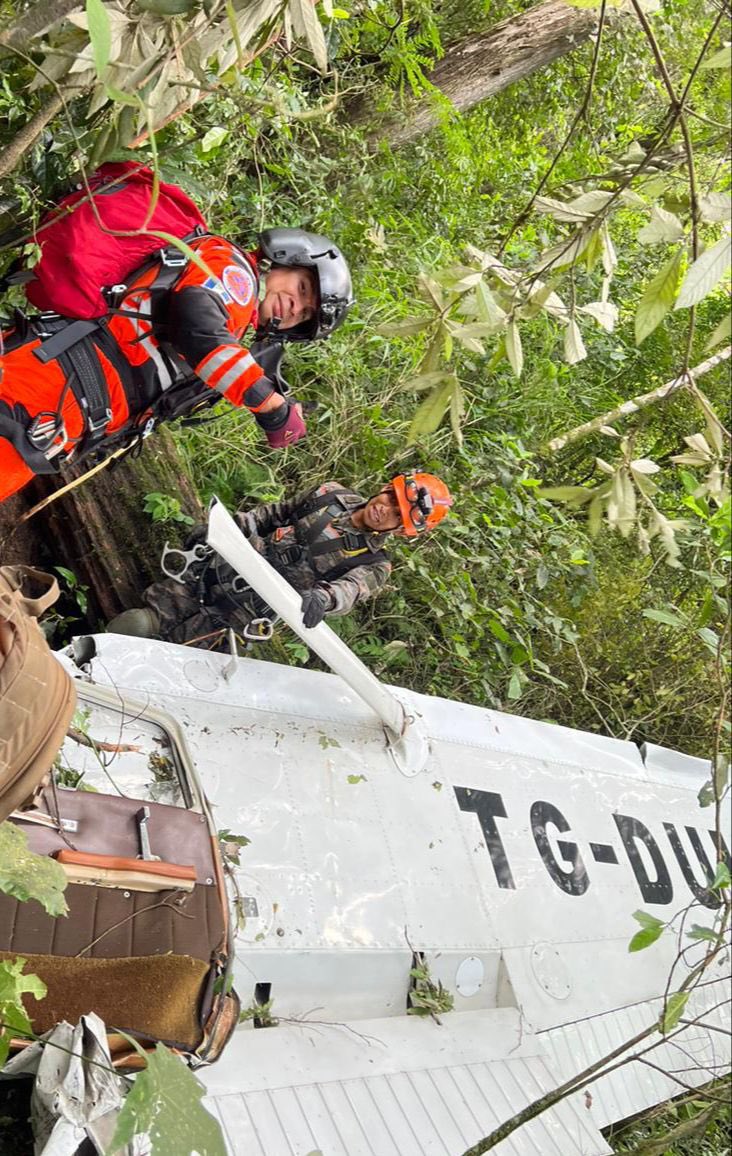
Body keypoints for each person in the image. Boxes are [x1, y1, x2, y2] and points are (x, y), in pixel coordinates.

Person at [0, 165, 353, 503]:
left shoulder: (239, 317)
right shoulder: (237, 274)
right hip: (45, 388)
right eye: (303, 289)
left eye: (306, 314)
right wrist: (272, 406)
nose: (296, 307)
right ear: (285, 260)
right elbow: (198, 330)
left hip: (56, 398)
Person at [107, 472, 454, 649]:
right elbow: (274, 514)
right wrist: (225, 526)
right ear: (385, 487)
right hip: (217, 570)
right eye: (391, 498)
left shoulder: (376, 563)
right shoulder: (329, 494)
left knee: (170, 655)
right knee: (141, 622)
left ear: (403, 529)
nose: (385, 509)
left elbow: (349, 592)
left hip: (243, 613)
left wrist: (322, 599)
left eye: (397, 513)